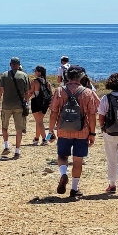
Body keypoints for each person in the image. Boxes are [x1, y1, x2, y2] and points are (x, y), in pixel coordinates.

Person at [49, 67, 100, 200]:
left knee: (62, 156)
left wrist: (51, 131)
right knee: (78, 161)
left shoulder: (60, 91)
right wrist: (92, 133)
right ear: (81, 76)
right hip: (82, 132)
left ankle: (63, 173)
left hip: (63, 130)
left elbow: (53, 112)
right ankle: (74, 189)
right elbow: (92, 115)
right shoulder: (87, 93)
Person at [0, 57, 32, 158]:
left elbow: (0, 91)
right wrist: (26, 102)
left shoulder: (5, 75)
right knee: (19, 130)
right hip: (19, 106)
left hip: (6, 105)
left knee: (4, 127)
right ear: (19, 65)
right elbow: (28, 92)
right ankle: (17, 151)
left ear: (10, 64)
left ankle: (6, 146)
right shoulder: (24, 75)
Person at [28, 65, 53, 145]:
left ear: (39, 72)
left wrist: (25, 99)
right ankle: (36, 138)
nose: (34, 72)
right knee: (39, 121)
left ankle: (45, 139)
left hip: (36, 102)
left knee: (39, 122)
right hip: (45, 104)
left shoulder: (34, 81)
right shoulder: (47, 82)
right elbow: (51, 94)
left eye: (35, 71)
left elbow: (31, 92)